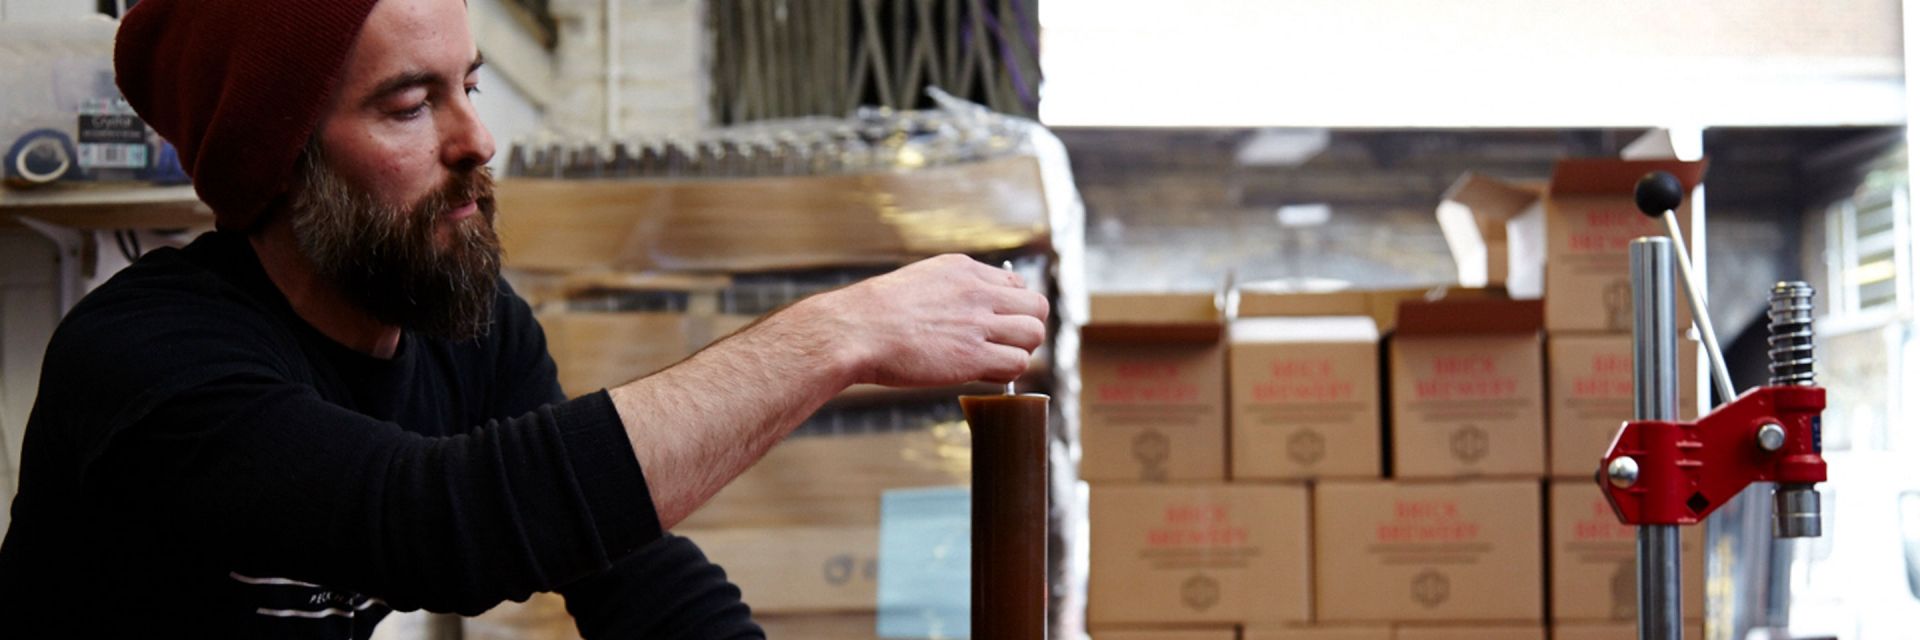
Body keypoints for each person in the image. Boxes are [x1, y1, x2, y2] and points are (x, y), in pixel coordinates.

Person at [0, 0, 1050, 637]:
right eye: (410, 106)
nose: (479, 137)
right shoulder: (148, 362)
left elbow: (629, 577)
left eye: (470, 84)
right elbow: (445, 524)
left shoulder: (469, 330)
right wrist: (835, 337)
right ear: (282, 162)